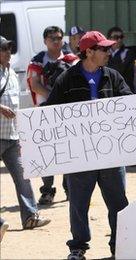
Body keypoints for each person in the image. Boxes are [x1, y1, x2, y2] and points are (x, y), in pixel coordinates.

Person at [44, 31, 132, 260]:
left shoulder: (113, 77)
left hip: (111, 155)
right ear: (89, 52)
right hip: (79, 157)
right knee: (78, 204)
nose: (109, 52)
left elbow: (130, 107)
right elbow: (51, 111)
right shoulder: (67, 78)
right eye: (103, 49)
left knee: (118, 202)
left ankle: (120, 244)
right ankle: (78, 247)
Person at [0, 36, 51, 231]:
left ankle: (30, 216)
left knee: (23, 176)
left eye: (9, 48)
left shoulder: (11, 72)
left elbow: (17, 104)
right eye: (4, 49)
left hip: (12, 136)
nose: (8, 53)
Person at [27, 25, 77, 205]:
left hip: (67, 112)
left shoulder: (72, 60)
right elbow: (34, 84)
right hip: (45, 112)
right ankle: (47, 191)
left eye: (58, 37)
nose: (56, 41)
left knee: (69, 151)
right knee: (46, 153)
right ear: (45, 41)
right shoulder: (38, 60)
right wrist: (54, 98)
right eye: (52, 38)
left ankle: (69, 188)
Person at [107, 26, 136, 93]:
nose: (119, 40)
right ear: (109, 39)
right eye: (116, 37)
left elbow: (121, 70)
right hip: (109, 91)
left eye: (121, 37)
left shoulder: (128, 53)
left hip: (125, 90)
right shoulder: (105, 53)